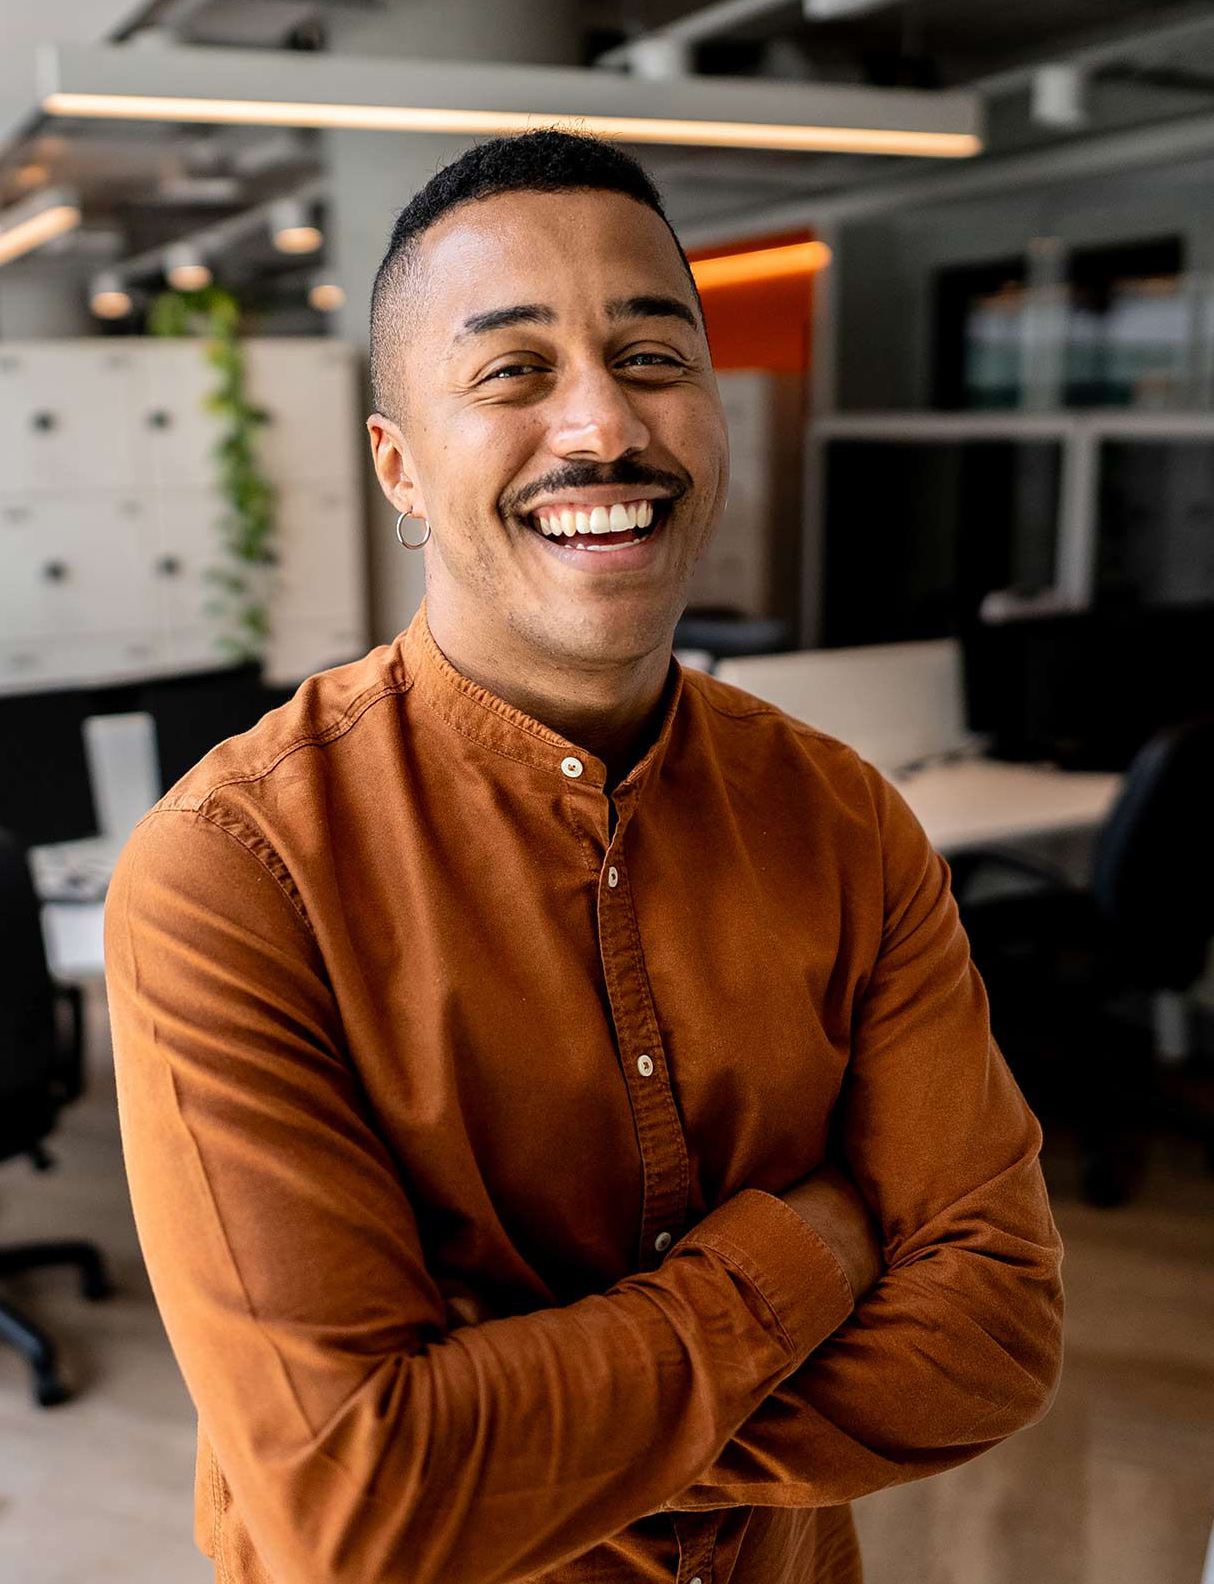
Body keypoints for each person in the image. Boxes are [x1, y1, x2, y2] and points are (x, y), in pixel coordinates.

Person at [104, 130, 1064, 1584]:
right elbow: (357, 1504)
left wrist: (514, 1458)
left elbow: (992, 1335)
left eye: (654, 357)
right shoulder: (236, 873)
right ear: (399, 466)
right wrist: (815, 1249)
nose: (604, 424)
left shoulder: (844, 821)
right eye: (512, 371)